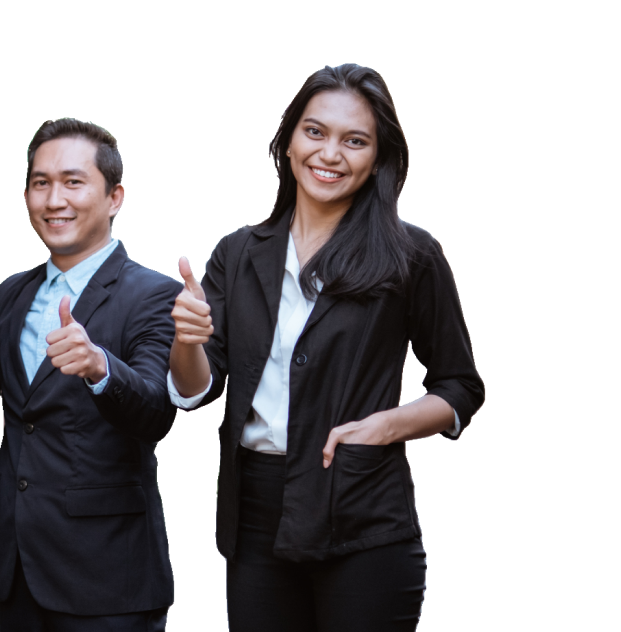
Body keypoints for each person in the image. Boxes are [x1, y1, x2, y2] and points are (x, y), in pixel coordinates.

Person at [167, 63, 485, 631]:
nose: (330, 154)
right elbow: (198, 390)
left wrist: (386, 426)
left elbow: (460, 385)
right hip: (255, 516)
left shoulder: (411, 254)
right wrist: (185, 340)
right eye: (315, 132)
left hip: (363, 511)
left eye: (354, 140)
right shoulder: (237, 253)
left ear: (378, 157)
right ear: (288, 141)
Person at [0, 118, 178, 631]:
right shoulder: (8, 296)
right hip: (17, 568)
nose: (54, 200)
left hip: (109, 574)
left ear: (115, 197)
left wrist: (100, 367)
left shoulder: (155, 295)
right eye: (41, 183)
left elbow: (157, 412)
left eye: (73, 182)